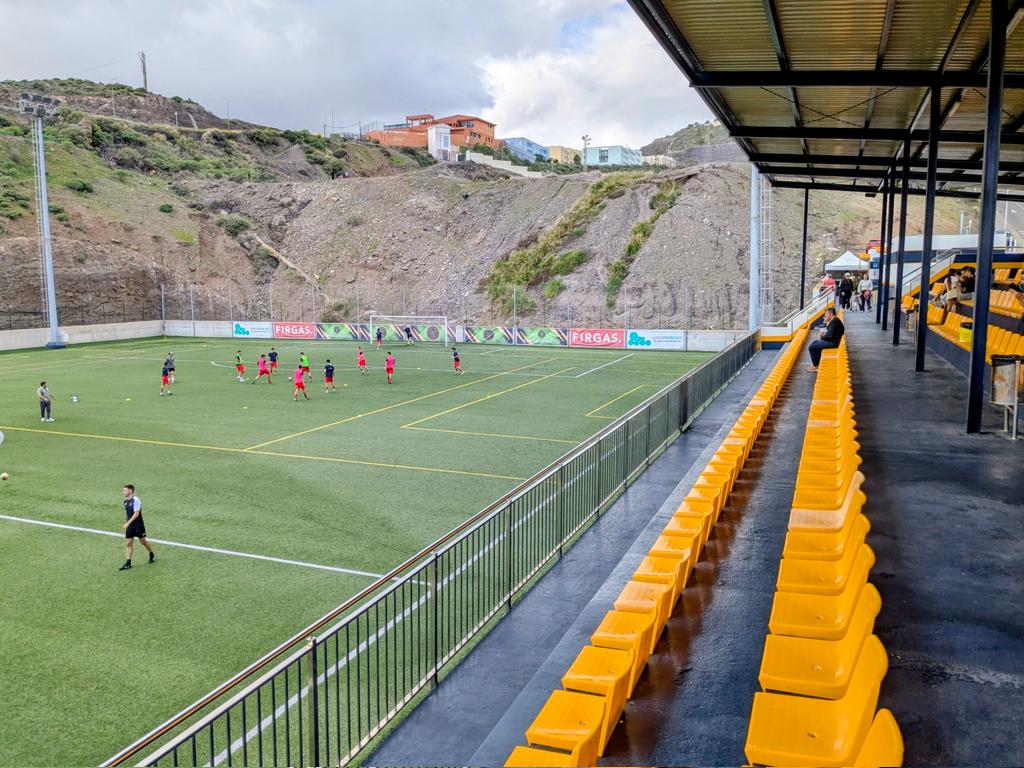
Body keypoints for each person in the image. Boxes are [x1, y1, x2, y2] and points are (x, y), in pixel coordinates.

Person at [119, 484, 154, 571]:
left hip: (138, 525)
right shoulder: (125, 501)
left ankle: (151, 553)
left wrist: (127, 523)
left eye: (125, 490)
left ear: (130, 491)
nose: (123, 492)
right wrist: (126, 522)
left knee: (143, 542)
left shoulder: (136, 500)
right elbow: (128, 513)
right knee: (128, 543)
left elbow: (136, 514)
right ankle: (128, 563)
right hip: (130, 526)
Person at [807, 307, 845, 372]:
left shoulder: (834, 321)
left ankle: (815, 366)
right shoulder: (834, 320)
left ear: (831, 313)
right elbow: (830, 333)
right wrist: (827, 324)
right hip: (833, 341)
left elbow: (829, 335)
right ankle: (816, 363)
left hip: (833, 343)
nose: (825, 315)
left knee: (811, 347)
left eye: (826, 314)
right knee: (815, 343)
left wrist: (821, 337)